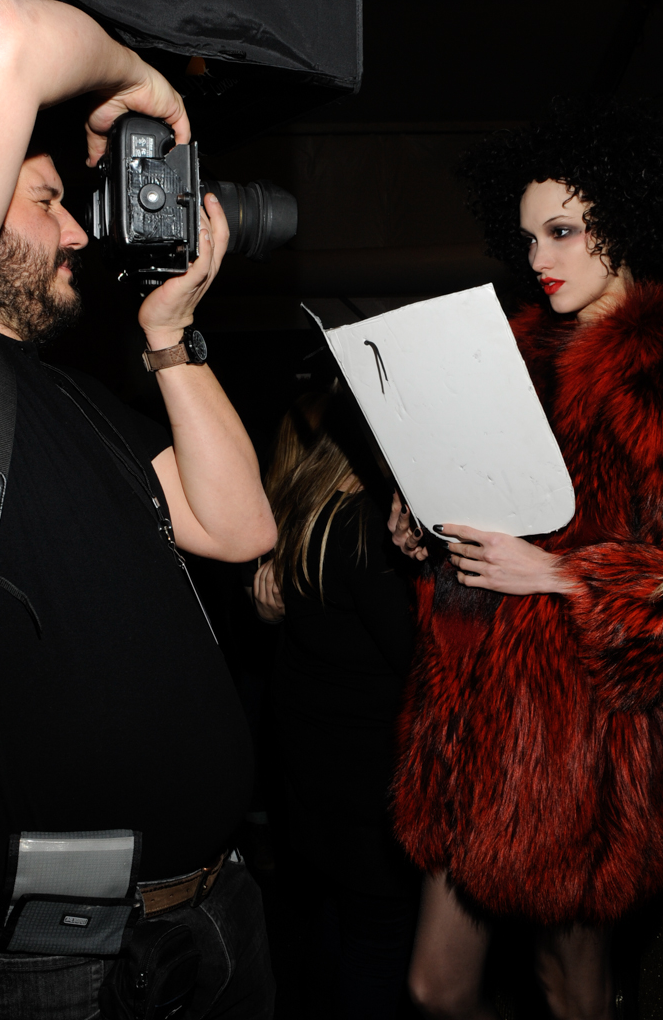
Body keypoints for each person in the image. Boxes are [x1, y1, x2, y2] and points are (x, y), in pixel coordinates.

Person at [0, 0, 277, 1018]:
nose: (80, 232)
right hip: (51, 964)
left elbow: (238, 527)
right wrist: (142, 84)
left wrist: (169, 336)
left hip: (211, 915)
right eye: (45, 201)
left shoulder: (71, 396)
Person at [387, 98, 663, 1020]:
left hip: (584, 751)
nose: (539, 258)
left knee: (572, 991)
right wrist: (425, 531)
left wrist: (562, 575)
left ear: (626, 224)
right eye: (529, 236)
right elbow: (480, 527)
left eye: (565, 231)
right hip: (468, 733)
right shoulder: (508, 358)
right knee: (434, 987)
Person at [253, 387, 418, 1018]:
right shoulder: (362, 527)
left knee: (339, 925)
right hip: (367, 788)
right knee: (377, 947)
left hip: (316, 780)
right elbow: (416, 661)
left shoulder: (307, 510)